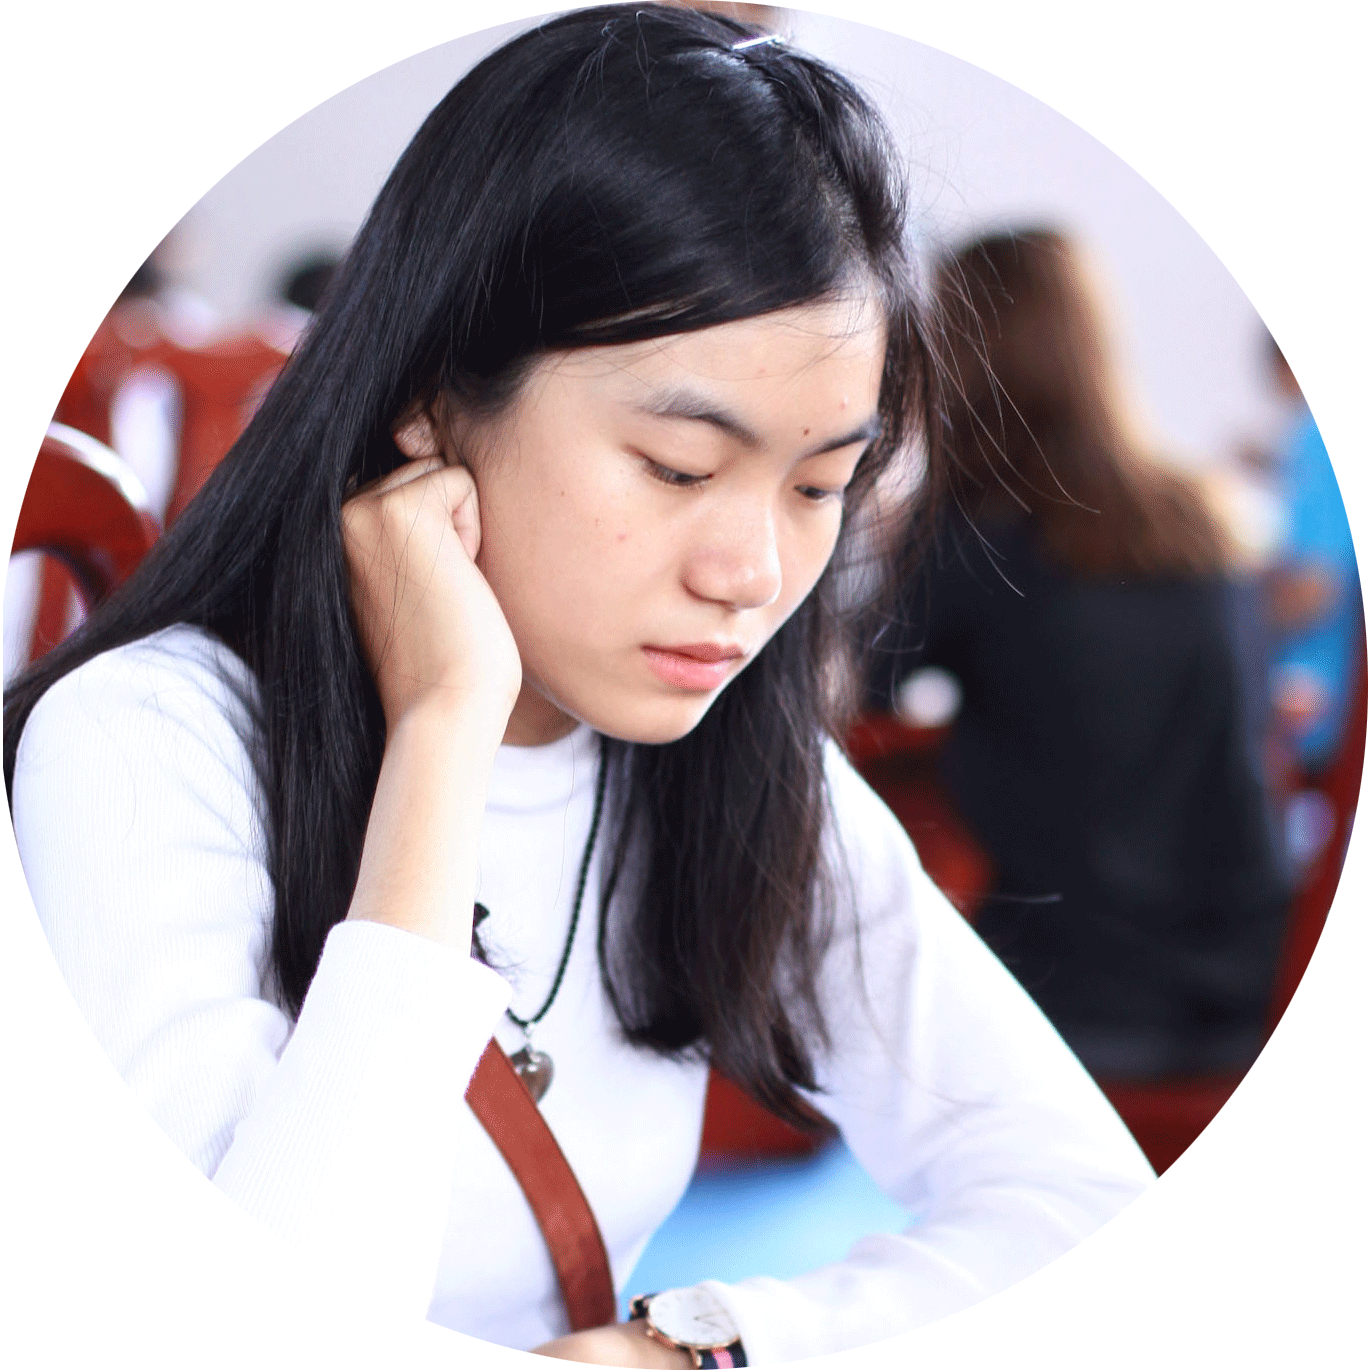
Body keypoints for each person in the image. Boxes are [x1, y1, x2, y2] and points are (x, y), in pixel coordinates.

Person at [5, 13, 1150, 1366]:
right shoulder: (143, 742)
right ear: (430, 398)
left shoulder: (735, 763)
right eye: (676, 467)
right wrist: (443, 729)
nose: (750, 571)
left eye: (818, 485)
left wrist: (704, 1345)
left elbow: (1084, 1201)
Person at [868, 228, 1291, 1081]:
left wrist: (874, 526)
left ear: (962, 359)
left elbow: (859, 689)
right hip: (1251, 992)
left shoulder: (976, 532)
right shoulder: (1207, 524)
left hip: (1065, 1006)